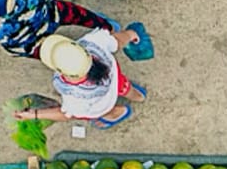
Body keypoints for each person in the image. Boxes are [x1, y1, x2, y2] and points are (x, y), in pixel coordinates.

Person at [17, 28, 145, 129]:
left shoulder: (75, 96)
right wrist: (130, 34)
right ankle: (138, 96)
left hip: (101, 104)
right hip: (113, 78)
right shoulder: (93, 41)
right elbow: (117, 41)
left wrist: (35, 114)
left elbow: (67, 114)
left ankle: (115, 113)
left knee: (98, 111)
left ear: (62, 72)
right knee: (124, 87)